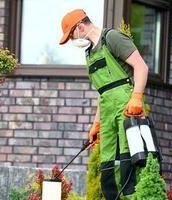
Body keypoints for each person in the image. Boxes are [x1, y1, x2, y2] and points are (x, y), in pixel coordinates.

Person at [59, 9, 149, 199]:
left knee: (127, 155)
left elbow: (141, 66)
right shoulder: (89, 53)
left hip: (125, 103)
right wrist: (96, 123)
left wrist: (137, 96)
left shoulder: (112, 38)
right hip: (107, 107)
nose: (73, 41)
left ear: (80, 27)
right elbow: (103, 91)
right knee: (108, 160)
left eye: (72, 36)